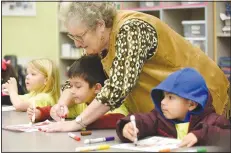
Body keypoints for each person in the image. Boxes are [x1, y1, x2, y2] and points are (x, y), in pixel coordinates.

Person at [47, 2, 230, 132]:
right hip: (169, 110)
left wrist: (77, 123)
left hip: (200, 98)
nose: (77, 44)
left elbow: (118, 86)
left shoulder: (131, 29)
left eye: (80, 37)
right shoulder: (98, 43)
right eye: (73, 38)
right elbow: (80, 76)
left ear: (100, 26)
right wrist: (63, 103)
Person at [116, 68, 231, 147]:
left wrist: (201, 135)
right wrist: (128, 126)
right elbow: (144, 120)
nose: (162, 102)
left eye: (170, 97)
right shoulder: (159, 118)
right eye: (164, 96)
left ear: (191, 104)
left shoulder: (214, 121)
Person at [29, 55, 128, 130]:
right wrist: (40, 113)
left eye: (78, 86)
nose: (72, 91)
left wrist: (81, 122)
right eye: (71, 86)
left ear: (97, 88)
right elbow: (60, 112)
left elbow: (119, 118)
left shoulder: (112, 103)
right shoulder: (81, 104)